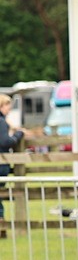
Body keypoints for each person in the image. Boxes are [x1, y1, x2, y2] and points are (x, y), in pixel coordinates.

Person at [0, 94, 27, 236]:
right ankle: (1, 225)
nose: (9, 109)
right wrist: (18, 135)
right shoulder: (1, 122)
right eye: (7, 106)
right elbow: (5, 142)